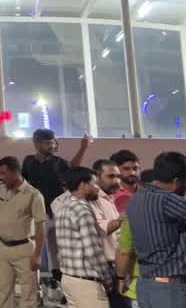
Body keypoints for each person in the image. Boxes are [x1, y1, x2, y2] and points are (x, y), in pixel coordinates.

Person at [118, 151, 186, 308]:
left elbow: (124, 250)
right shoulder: (168, 200)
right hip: (173, 292)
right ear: (176, 181)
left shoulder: (136, 201)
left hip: (146, 287)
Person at [21, 130, 89, 292]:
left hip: (57, 212)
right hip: (36, 211)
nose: (52, 145)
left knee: (57, 249)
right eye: (47, 142)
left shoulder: (59, 162)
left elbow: (74, 169)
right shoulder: (29, 162)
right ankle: (40, 284)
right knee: (35, 248)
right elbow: (24, 183)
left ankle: (61, 282)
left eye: (53, 142)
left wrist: (83, 148)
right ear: (37, 144)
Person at [0, 155, 46, 308]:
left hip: (25, 249)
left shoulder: (34, 195)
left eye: (4, 174)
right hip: (3, 248)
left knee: (28, 293)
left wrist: (38, 255)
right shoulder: (1, 188)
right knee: (3, 291)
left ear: (16, 172)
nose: (1, 177)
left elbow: (41, 226)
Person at [53, 167, 115, 308]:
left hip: (68, 279)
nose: (97, 188)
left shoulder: (64, 208)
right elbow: (92, 250)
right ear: (83, 185)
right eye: (94, 184)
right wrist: (107, 278)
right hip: (87, 284)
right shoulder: (83, 211)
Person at [89, 160, 123, 261]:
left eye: (118, 177)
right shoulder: (92, 198)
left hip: (116, 262)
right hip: (103, 264)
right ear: (96, 177)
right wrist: (123, 218)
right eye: (111, 176)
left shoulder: (109, 198)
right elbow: (100, 229)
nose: (117, 181)